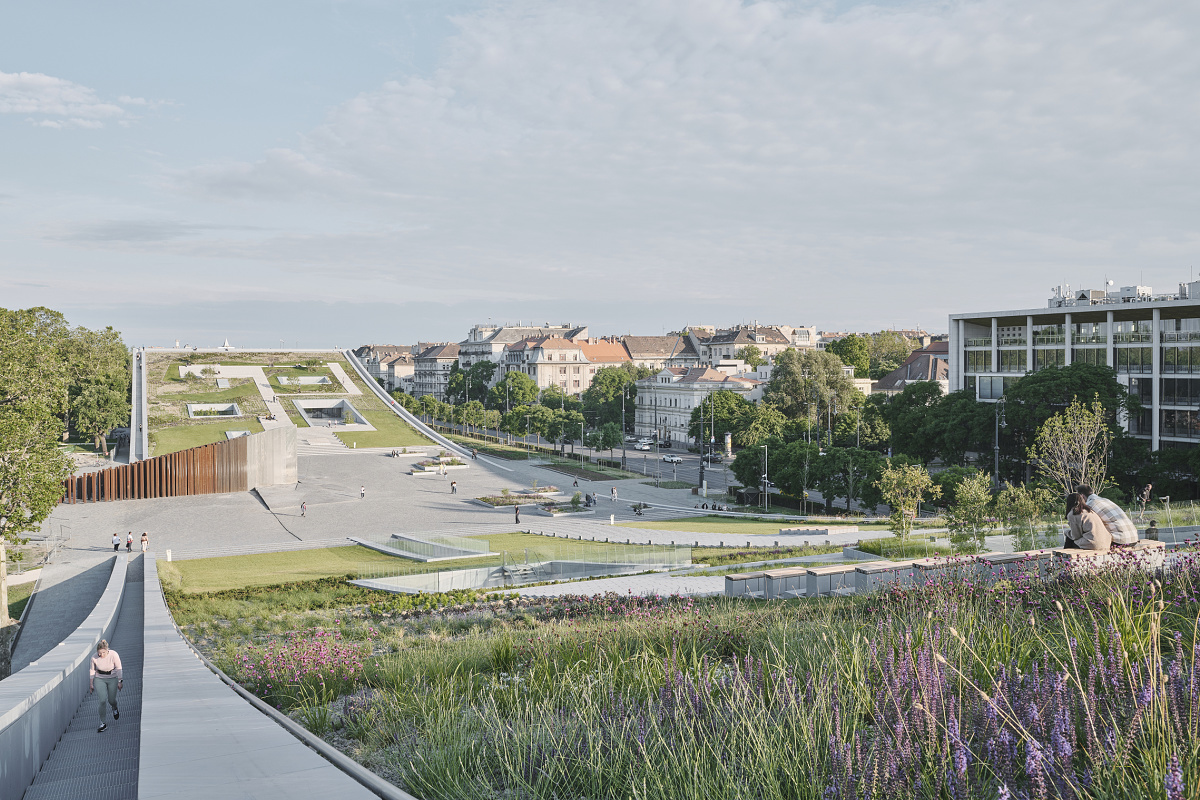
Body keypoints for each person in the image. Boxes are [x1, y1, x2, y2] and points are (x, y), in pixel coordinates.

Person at [90, 639, 123, 733]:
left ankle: (114, 707)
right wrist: (91, 684)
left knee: (111, 700)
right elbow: (92, 671)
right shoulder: (94, 658)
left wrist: (120, 681)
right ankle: (103, 723)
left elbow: (119, 668)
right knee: (102, 700)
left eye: (103, 653)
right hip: (99, 678)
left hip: (112, 678)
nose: (101, 655)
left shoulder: (114, 654)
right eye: (99, 653)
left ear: (107, 650)